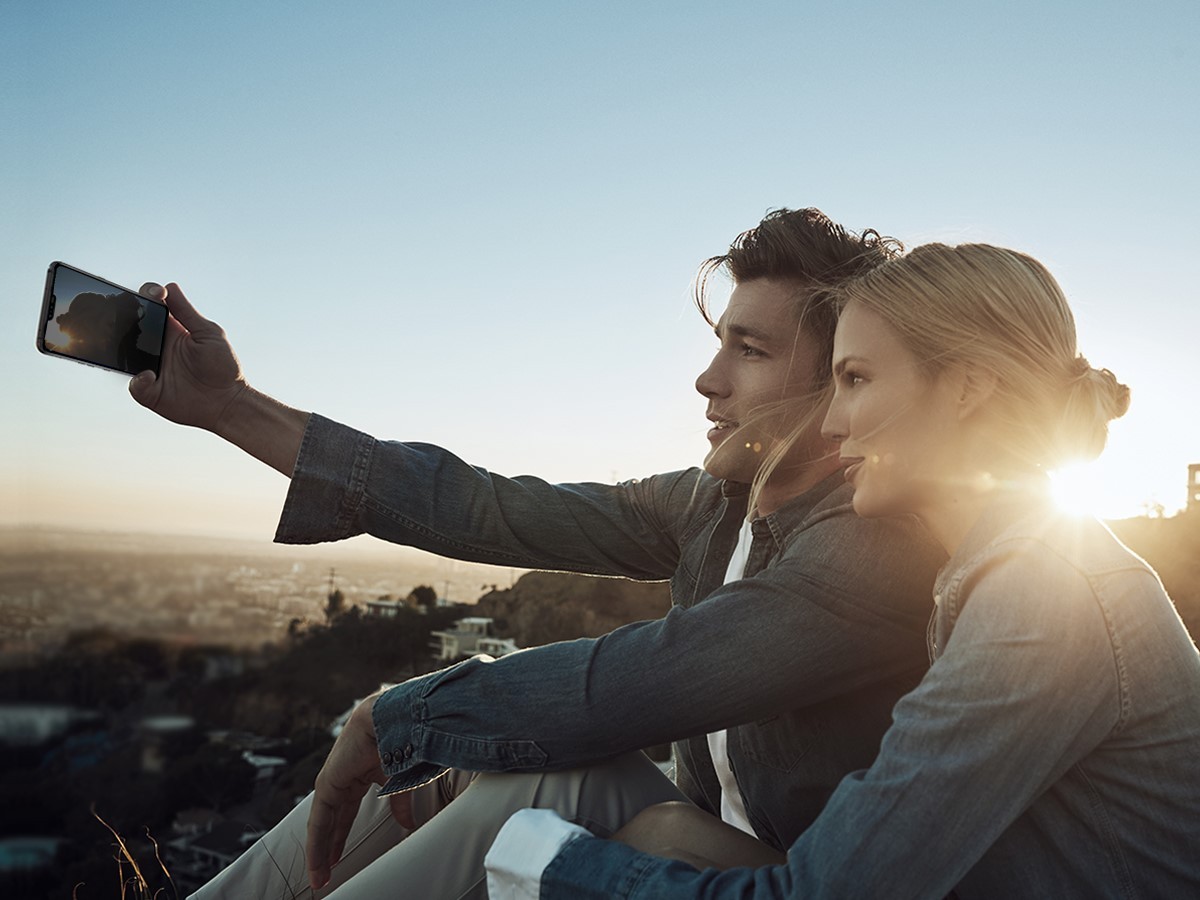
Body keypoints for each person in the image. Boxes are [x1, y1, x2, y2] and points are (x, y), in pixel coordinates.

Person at [129, 209, 947, 899]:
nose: (707, 378)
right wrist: (228, 407)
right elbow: (483, 505)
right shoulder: (712, 504)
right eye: (718, 342)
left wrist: (402, 716)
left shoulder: (874, 545)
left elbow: (634, 683)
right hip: (701, 841)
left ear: (842, 381)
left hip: (794, 882)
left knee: (528, 782)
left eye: (750, 350)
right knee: (465, 778)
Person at [487, 242, 1200, 899]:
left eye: (856, 379)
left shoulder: (1046, 599)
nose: (832, 424)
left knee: (533, 828)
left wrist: (545, 864)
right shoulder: (1000, 573)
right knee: (638, 822)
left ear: (967, 388)